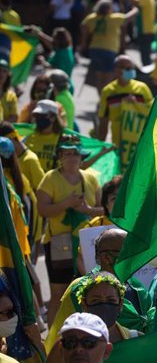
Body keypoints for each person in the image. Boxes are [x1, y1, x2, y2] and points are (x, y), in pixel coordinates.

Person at [37, 135, 102, 325]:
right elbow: (42, 209)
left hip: (88, 244)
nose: (72, 157)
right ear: (60, 156)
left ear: (81, 157)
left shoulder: (91, 178)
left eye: (76, 153)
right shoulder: (50, 178)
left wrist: (87, 210)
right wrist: (67, 204)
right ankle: (52, 340)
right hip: (60, 244)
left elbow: (102, 209)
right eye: (67, 153)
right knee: (59, 293)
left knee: (89, 290)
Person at [41, 272, 139, 363]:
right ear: (83, 304)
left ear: (120, 304)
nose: (104, 306)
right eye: (96, 301)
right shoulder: (66, 346)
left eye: (111, 300)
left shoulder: (137, 340)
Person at [96, 55, 153, 156]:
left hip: (137, 143)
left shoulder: (142, 89)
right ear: (116, 70)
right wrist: (100, 146)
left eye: (131, 68)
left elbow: (152, 112)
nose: (130, 70)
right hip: (118, 143)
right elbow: (103, 121)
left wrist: (136, 104)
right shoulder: (108, 91)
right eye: (127, 68)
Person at [80, 0, 139, 92]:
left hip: (94, 49)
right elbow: (130, 16)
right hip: (109, 50)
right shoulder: (114, 18)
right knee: (109, 76)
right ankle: (105, 96)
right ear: (109, 8)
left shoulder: (91, 18)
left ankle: (101, 96)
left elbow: (83, 28)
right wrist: (135, 8)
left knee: (99, 76)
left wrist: (83, 45)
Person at [23, 99, 64, 172]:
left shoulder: (63, 139)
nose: (38, 118)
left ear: (53, 118)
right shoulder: (28, 137)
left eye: (42, 116)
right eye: (36, 116)